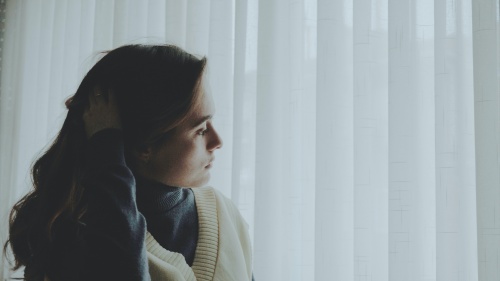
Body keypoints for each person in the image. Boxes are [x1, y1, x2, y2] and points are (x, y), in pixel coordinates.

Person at [4, 44, 253, 281]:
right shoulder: (79, 233)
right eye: (200, 129)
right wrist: (107, 148)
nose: (217, 141)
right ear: (144, 146)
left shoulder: (224, 213)